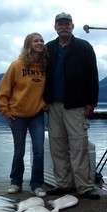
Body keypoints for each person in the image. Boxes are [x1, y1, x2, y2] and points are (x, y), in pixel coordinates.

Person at [44, 12, 100, 200]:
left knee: (79, 146)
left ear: (72, 26)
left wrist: (91, 102)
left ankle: (84, 186)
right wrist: (43, 99)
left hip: (75, 106)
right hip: (53, 105)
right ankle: (63, 184)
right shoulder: (49, 48)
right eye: (60, 24)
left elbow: (93, 76)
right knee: (57, 146)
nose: (63, 26)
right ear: (55, 27)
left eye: (67, 23)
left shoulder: (84, 47)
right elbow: (41, 76)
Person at [0, 33, 49, 197]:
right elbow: (3, 90)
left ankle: (36, 185)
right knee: (19, 151)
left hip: (37, 115)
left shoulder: (44, 66)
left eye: (41, 40)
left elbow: (46, 89)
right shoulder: (16, 65)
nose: (39, 43)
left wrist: (46, 102)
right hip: (17, 115)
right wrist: (5, 111)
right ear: (29, 44)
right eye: (36, 41)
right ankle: (15, 182)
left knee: (39, 150)